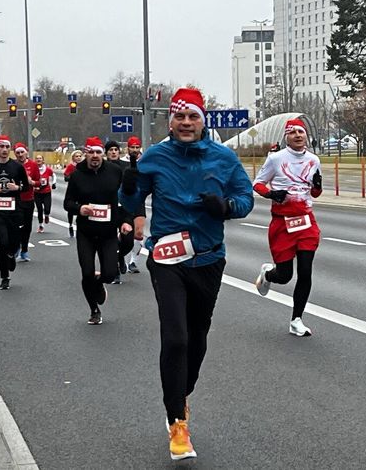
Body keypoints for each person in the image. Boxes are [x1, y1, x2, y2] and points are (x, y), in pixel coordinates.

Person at [119, 87, 254, 461]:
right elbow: (131, 201)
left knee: (197, 338)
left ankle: (182, 394)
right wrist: (128, 190)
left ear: (203, 120)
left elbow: (246, 200)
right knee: (175, 337)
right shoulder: (155, 157)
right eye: (180, 117)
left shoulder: (223, 158)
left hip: (208, 260)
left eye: (193, 116)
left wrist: (224, 206)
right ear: (171, 121)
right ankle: (177, 421)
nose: (186, 123)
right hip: (166, 259)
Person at [253, 118, 322, 336]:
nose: (298, 136)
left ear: (306, 136)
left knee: (305, 270)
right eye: (293, 133)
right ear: (286, 138)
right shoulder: (276, 159)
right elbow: (257, 184)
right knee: (285, 276)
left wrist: (318, 186)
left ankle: (296, 320)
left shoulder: (314, 160)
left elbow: (315, 193)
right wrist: (272, 193)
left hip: (305, 221)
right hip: (282, 222)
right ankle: (268, 274)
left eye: (301, 132)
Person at [64, 136, 126, 324]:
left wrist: (125, 221)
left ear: (103, 155)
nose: (95, 156)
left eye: (98, 152)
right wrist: (79, 209)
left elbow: (123, 200)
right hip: (86, 233)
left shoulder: (115, 172)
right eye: (91, 152)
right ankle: (94, 310)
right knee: (87, 272)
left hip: (108, 232)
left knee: (109, 274)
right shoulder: (77, 174)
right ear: (85, 154)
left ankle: (99, 286)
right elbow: (67, 202)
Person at [0, 136, 29, 290]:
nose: (4, 150)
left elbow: (26, 187)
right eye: (1, 147)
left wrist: (17, 188)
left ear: (10, 149)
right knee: (2, 242)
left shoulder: (17, 167)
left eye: (7, 147)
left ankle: (11, 255)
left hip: (15, 210)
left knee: (14, 242)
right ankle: (5, 277)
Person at [105, 140, 134, 284]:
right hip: (108, 210)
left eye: (116, 149)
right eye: (110, 150)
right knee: (110, 241)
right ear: (106, 153)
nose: (113, 152)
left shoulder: (125, 167)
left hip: (125, 208)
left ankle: (120, 256)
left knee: (128, 241)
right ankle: (115, 271)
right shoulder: (102, 168)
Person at [121, 136, 146, 274]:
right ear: (128, 148)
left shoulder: (144, 162)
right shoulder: (121, 162)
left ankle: (133, 262)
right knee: (125, 234)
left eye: (137, 147)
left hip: (139, 201)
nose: (135, 150)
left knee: (139, 232)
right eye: (133, 147)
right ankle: (121, 259)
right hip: (124, 202)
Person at [14, 143, 40, 262]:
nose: (20, 155)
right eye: (18, 153)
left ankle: (24, 250)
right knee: (17, 225)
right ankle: (16, 247)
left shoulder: (33, 165)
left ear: (26, 153)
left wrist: (32, 182)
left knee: (27, 227)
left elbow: (39, 182)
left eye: (22, 152)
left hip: (28, 199)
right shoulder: (12, 165)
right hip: (15, 199)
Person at [63, 149, 84, 238]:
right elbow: (66, 177)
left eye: (80, 156)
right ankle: (70, 224)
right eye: (77, 156)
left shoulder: (84, 166)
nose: (78, 158)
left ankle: (80, 224)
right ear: (73, 158)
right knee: (71, 207)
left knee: (82, 206)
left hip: (83, 190)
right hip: (73, 189)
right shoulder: (71, 166)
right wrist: (73, 177)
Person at [34, 154, 56, 233]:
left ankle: (46, 215)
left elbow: (53, 175)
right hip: (37, 193)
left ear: (43, 160)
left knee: (47, 208)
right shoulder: (34, 170)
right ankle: (41, 225)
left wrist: (54, 183)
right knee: (39, 209)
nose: (38, 160)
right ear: (35, 160)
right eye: (37, 158)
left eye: (40, 158)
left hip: (46, 192)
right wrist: (33, 186)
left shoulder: (47, 169)